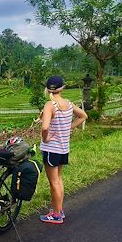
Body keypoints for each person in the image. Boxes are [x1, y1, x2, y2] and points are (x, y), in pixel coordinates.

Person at [39, 76, 87, 224]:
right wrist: (69, 128)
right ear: (62, 88)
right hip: (63, 149)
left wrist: (45, 138)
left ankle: (56, 215)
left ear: (48, 89)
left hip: (51, 149)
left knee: (53, 183)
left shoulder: (50, 105)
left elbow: (45, 127)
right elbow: (83, 116)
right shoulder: (68, 104)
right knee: (59, 179)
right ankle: (59, 210)